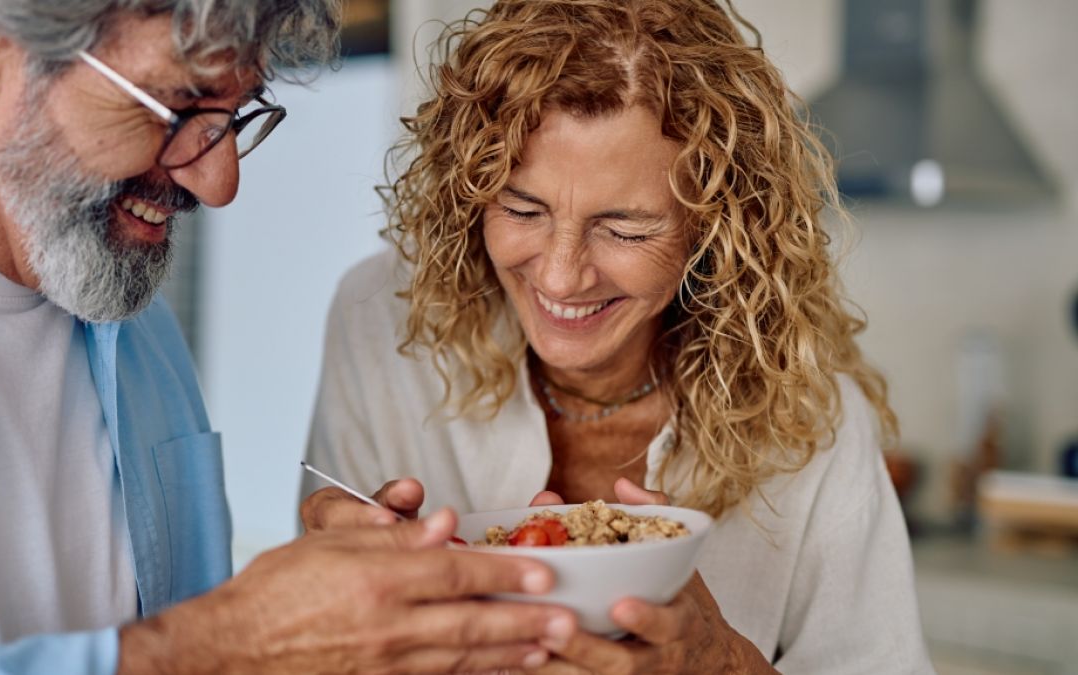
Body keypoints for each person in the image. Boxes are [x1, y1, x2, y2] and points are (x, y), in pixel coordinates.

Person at [0, 1, 582, 672]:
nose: (219, 183)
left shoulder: (128, 313)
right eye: (178, 107)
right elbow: (200, 648)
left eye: (234, 115)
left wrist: (330, 622)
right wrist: (218, 648)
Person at [301, 0, 935, 672]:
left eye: (626, 229)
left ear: (714, 226)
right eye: (522, 209)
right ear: (470, 193)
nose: (562, 276)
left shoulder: (814, 417)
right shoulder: (381, 321)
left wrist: (722, 663)